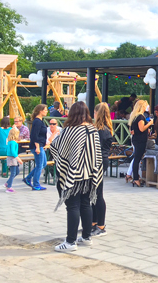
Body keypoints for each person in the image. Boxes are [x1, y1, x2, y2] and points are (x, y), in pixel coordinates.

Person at [49, 101, 102, 253]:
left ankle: (70, 241)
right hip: (89, 174)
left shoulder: (70, 130)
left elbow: (56, 148)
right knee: (86, 204)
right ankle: (86, 237)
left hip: (73, 174)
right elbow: (96, 154)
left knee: (72, 206)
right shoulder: (93, 130)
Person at [91, 102, 114, 237]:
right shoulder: (104, 129)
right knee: (93, 193)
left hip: (99, 161)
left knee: (98, 193)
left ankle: (101, 225)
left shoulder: (101, 130)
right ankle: (94, 223)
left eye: (94, 113)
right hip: (101, 160)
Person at [129, 100, 154, 187]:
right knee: (137, 159)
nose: (146, 107)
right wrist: (150, 123)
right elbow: (142, 128)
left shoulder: (134, 116)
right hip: (140, 140)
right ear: (142, 107)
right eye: (145, 106)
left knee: (137, 158)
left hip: (136, 139)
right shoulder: (140, 117)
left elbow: (132, 129)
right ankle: (136, 178)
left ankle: (135, 177)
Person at [23, 104, 48, 191]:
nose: (46, 111)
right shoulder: (37, 121)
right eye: (45, 110)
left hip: (41, 145)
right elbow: (34, 135)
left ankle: (28, 178)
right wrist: (37, 147)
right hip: (37, 146)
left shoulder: (41, 121)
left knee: (43, 164)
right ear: (40, 111)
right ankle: (36, 184)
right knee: (39, 165)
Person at [5, 128, 23, 193]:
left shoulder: (11, 142)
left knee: (17, 172)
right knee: (13, 173)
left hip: (13, 158)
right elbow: (12, 151)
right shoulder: (12, 142)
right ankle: (9, 187)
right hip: (12, 158)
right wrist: (18, 158)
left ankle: (8, 182)